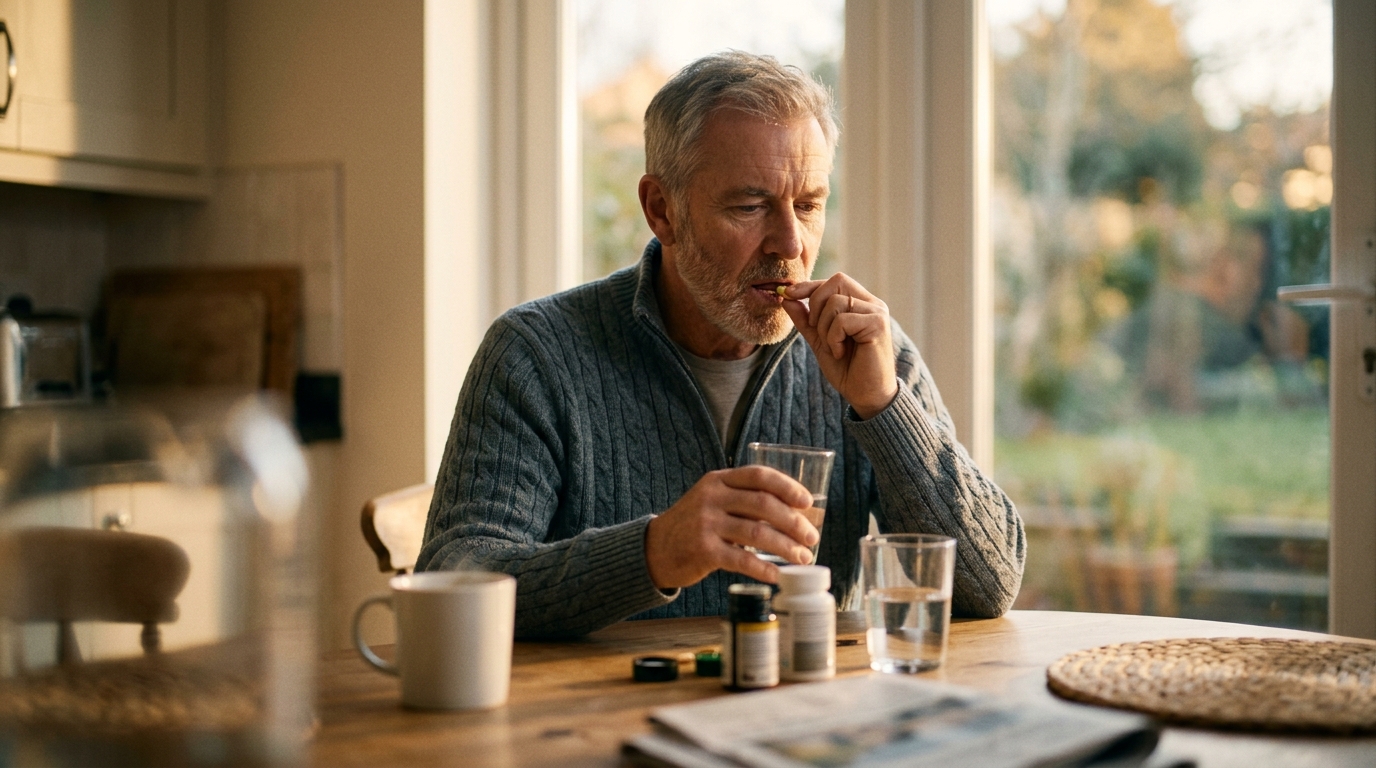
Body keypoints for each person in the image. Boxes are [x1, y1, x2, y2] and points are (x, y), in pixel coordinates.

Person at [418, 52, 1025, 637]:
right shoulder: (535, 355)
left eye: (809, 205)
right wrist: (655, 552)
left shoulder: (866, 354)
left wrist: (885, 409)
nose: (790, 243)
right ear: (663, 211)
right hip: (600, 724)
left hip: (797, 724)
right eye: (750, 206)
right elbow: (452, 583)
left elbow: (988, 586)